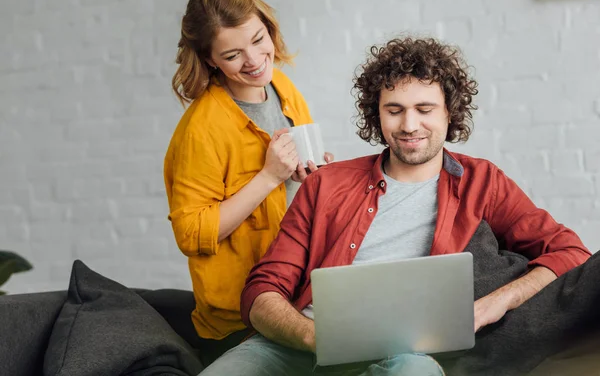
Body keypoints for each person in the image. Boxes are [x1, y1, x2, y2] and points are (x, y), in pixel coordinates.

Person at [199, 37, 591, 375]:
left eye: (424, 109)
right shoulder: (325, 184)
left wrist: (490, 306)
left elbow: (569, 252)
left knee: (415, 370)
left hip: (403, 356)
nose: (409, 125)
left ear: (448, 112)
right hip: (297, 346)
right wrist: (313, 336)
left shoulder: (482, 182)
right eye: (394, 109)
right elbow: (262, 289)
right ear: (378, 114)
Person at [163, 0, 333, 365]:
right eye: (233, 54)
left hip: (300, 296)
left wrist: (311, 173)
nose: (255, 60)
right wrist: (270, 176)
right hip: (240, 322)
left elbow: (296, 186)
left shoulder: (280, 85)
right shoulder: (202, 128)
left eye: (259, 40)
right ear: (210, 60)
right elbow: (191, 233)